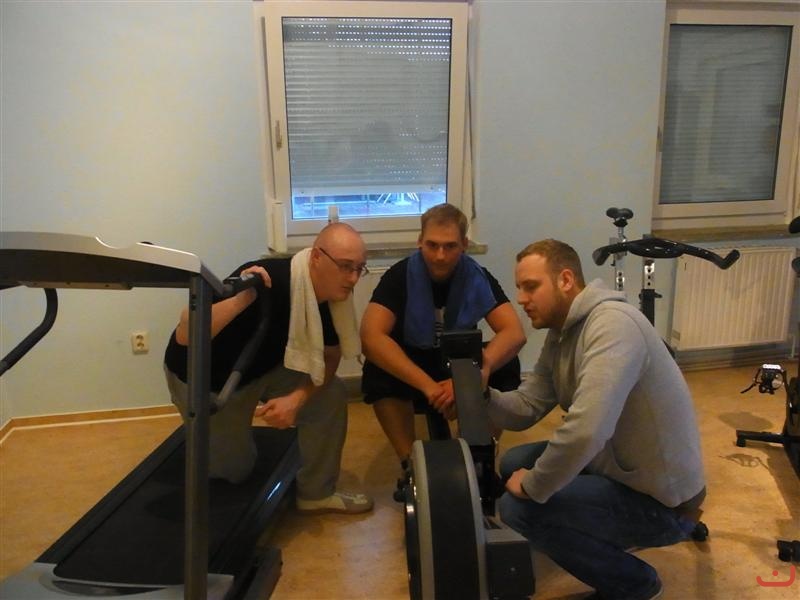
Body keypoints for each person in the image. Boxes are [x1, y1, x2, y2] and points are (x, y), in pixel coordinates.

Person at [490, 239, 706, 600]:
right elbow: (528, 405)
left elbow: (585, 431)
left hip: (667, 505)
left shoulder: (613, 326)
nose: (521, 299)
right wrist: (481, 396)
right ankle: (592, 532)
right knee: (514, 463)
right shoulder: (562, 332)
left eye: (531, 286)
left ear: (565, 280)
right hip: (618, 471)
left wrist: (534, 486)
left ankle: (635, 585)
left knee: (520, 508)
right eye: (519, 288)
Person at [163, 223, 373, 515]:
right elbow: (187, 332)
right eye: (345, 266)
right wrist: (243, 298)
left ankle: (315, 494)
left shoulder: (331, 296)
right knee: (233, 471)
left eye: (359, 269)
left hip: (266, 369)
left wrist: (296, 399)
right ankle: (215, 440)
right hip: (209, 380)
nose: (353, 278)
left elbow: (330, 356)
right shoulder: (265, 278)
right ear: (316, 257)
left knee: (331, 394)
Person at [360, 204, 526, 498]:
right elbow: (371, 337)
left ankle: (479, 457)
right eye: (432, 245)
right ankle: (409, 464)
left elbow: (514, 333)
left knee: (507, 364)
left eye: (450, 246)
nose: (440, 255)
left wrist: (473, 374)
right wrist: (430, 388)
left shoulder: (477, 276)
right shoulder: (400, 276)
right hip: (415, 362)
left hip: (457, 359)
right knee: (377, 370)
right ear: (419, 242)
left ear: (464, 245)